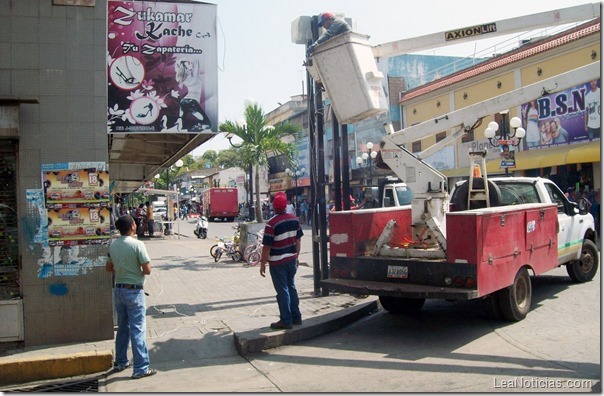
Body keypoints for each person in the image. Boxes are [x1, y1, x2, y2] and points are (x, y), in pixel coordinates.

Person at [105, 215, 157, 380]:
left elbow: (108, 268)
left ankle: (120, 361)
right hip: (134, 291)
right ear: (132, 226)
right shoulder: (137, 244)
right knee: (137, 329)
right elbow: (147, 269)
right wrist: (134, 273)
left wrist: (122, 271)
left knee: (122, 327)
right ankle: (141, 367)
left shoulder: (113, 245)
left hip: (119, 290)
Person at [260, 192, 303, 330]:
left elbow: (267, 247)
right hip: (291, 259)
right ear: (285, 205)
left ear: (274, 206)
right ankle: (297, 317)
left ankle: (286, 320)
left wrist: (262, 264)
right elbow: (298, 240)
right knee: (291, 287)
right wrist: (297, 257)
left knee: (283, 291)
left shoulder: (271, 224)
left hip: (278, 263)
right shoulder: (294, 220)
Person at [174, 58, 212, 132]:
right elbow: (196, 60)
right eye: (188, 63)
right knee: (208, 124)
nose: (190, 63)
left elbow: (179, 63)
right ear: (185, 68)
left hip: (184, 102)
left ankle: (170, 119)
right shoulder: (194, 75)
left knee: (182, 120)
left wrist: (183, 62)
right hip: (191, 102)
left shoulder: (184, 77)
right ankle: (190, 128)